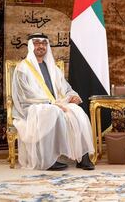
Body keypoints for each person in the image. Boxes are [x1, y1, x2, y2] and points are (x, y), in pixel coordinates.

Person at [12, 33, 95, 171]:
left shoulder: (53, 68)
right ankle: (48, 160)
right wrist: (50, 103)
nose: (41, 46)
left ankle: (83, 157)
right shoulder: (23, 68)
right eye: (37, 43)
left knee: (77, 111)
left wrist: (72, 96)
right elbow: (24, 95)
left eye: (44, 43)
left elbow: (65, 88)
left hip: (55, 104)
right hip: (32, 107)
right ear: (31, 45)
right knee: (53, 112)